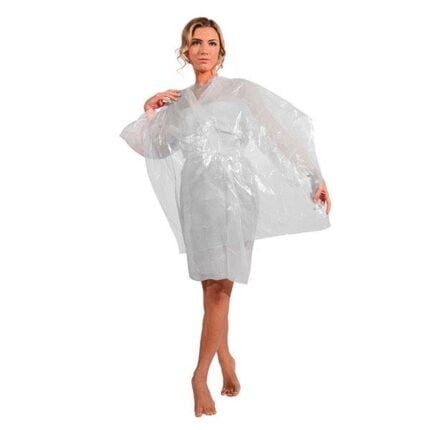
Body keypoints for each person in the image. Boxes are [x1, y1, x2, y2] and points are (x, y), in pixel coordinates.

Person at [120, 17, 332, 417]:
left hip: (236, 196)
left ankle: (199, 376)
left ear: (221, 51)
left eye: (211, 43)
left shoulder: (240, 91)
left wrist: (313, 175)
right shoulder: (179, 103)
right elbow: (157, 149)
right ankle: (225, 356)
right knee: (211, 286)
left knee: (221, 286)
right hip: (197, 197)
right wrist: (149, 111)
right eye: (196, 42)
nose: (204, 49)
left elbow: (279, 133)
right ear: (185, 51)